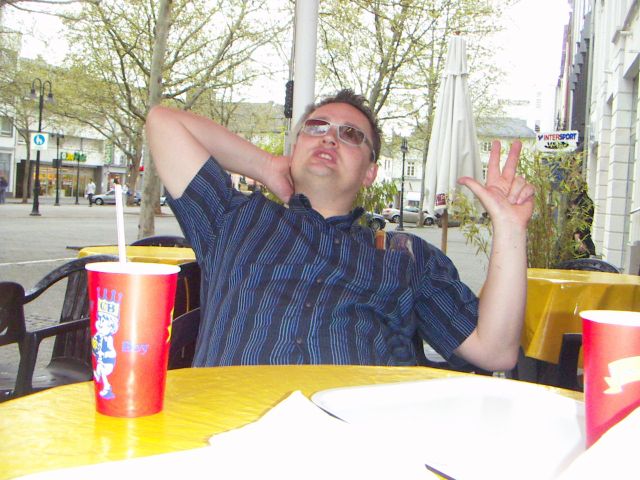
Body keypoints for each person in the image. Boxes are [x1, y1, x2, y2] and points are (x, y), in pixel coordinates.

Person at [146, 89, 534, 371]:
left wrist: (510, 229)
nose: (330, 137)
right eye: (316, 127)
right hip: (230, 433)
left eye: (351, 135)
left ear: (370, 173)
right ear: (295, 148)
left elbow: (494, 351)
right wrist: (265, 165)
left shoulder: (407, 257)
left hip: (356, 439)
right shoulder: (235, 219)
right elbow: (163, 123)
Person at [570, 189, 596, 258]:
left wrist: (577, 238)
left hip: (581, 244)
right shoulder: (586, 201)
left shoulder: (584, 203)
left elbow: (583, 223)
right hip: (583, 242)